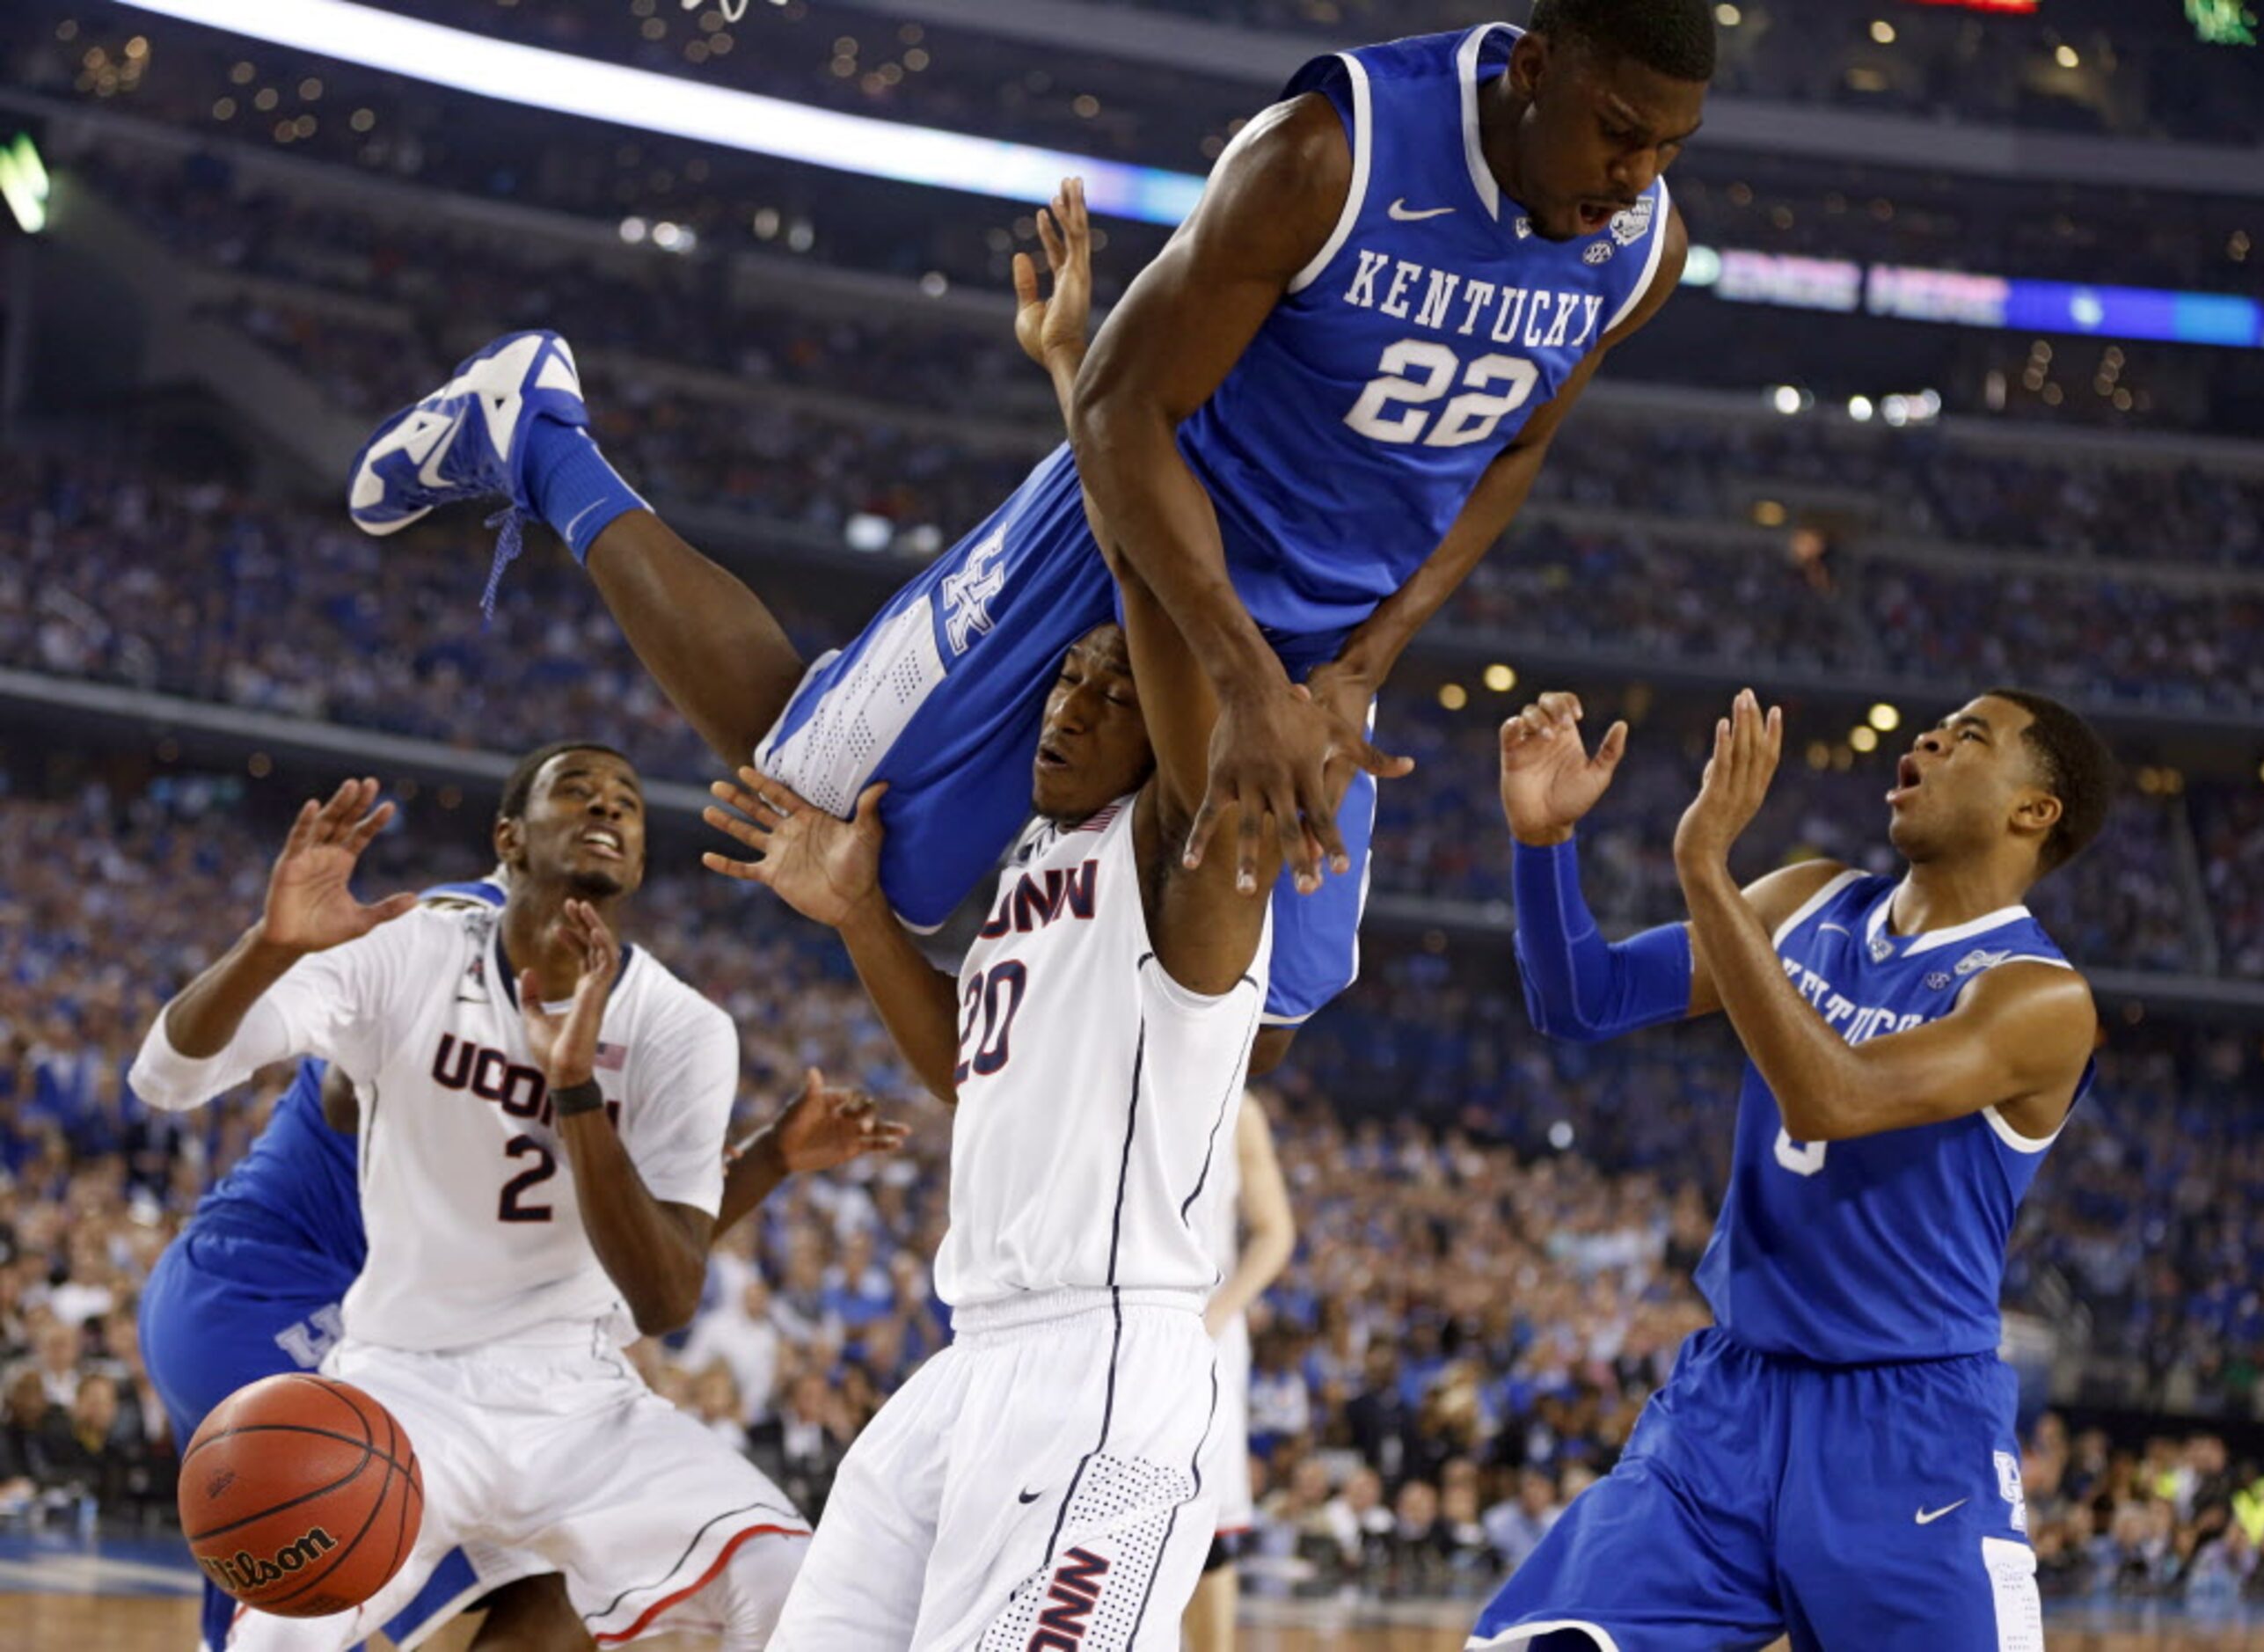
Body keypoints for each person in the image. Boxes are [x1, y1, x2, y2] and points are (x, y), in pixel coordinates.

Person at [343, 0, 1714, 1049]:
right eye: (1616, 130)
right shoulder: (1329, 154)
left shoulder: (1638, 244)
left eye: (1666, 146)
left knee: (1271, 1008)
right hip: (1136, 545)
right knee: (820, 804)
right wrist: (1236, 673)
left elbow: (1513, 448)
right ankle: (539, 436)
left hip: (1315, 639)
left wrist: (1364, 663)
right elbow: (1122, 408)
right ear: (1534, 68)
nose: (1635, 172)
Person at [691, 185, 1273, 1648]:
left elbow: (1155, 577)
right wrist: (858, 916)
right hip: (976, 1353)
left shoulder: (1187, 866)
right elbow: (967, 1070)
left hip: (1107, 1366)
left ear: (1172, 742)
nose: (1072, 701)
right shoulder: (1030, 865)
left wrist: (1085, 383)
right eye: (1065, 682)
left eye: (1112, 693)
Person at [125, 746, 879, 1651]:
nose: (605, 805)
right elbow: (171, 1078)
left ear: (639, 858)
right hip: (344, 1332)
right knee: (294, 1601)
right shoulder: (412, 942)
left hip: (575, 1399)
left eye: (627, 800)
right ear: (508, 842)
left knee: (792, 1591)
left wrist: (608, 1104)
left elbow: (657, 1284)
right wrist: (271, 947)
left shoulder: (682, 1027)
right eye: (576, 790)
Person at [1470, 685, 2115, 1650]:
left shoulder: (2035, 996)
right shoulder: (1808, 896)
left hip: (1905, 1429)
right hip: (1728, 1401)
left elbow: (1835, 1095)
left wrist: (1702, 866)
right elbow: (1585, 999)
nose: (1929, 737)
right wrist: (1540, 843)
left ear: (2033, 812)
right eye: (1937, 726)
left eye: (1969, 737)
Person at [1185, 1092, 1296, 1652]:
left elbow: (1275, 1230)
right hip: (1107, 1321)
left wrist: (1222, 1312)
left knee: (1207, 1526)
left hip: (1203, 1330)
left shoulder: (1240, 1106)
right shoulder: (1102, 1067)